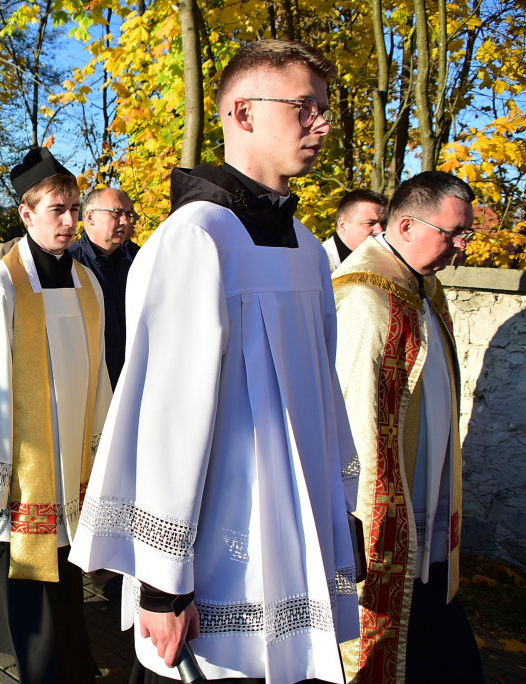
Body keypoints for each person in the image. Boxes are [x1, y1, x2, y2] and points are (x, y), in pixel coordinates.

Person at [69, 40, 360, 684]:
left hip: (295, 533)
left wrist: (341, 512)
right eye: (304, 107)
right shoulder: (196, 237)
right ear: (242, 112)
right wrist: (163, 586)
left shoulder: (306, 245)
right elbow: (167, 422)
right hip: (215, 554)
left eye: (324, 109)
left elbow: (325, 394)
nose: (321, 124)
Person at [0, 148, 112, 683]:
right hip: (27, 464)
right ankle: (43, 672)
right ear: (26, 214)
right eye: (57, 210)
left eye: (74, 210)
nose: (69, 221)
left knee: (66, 570)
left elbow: (98, 374)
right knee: (30, 577)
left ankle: (75, 665)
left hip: (74, 460)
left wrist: (103, 450)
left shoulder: (87, 282)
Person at [332, 171, 483, 684]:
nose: (461, 246)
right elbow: (353, 415)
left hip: (428, 494)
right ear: (406, 226)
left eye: (466, 234)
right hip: (387, 504)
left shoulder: (424, 287)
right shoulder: (364, 298)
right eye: (453, 233)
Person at [68, 187, 137, 387]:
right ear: (90, 217)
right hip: (87, 381)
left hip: (129, 379)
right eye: (117, 213)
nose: (125, 221)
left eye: (128, 214)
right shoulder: (69, 264)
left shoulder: (136, 260)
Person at [324, 189, 388, 271]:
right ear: (343, 224)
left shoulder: (387, 262)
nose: (380, 230)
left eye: (383, 223)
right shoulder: (317, 263)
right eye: (370, 223)